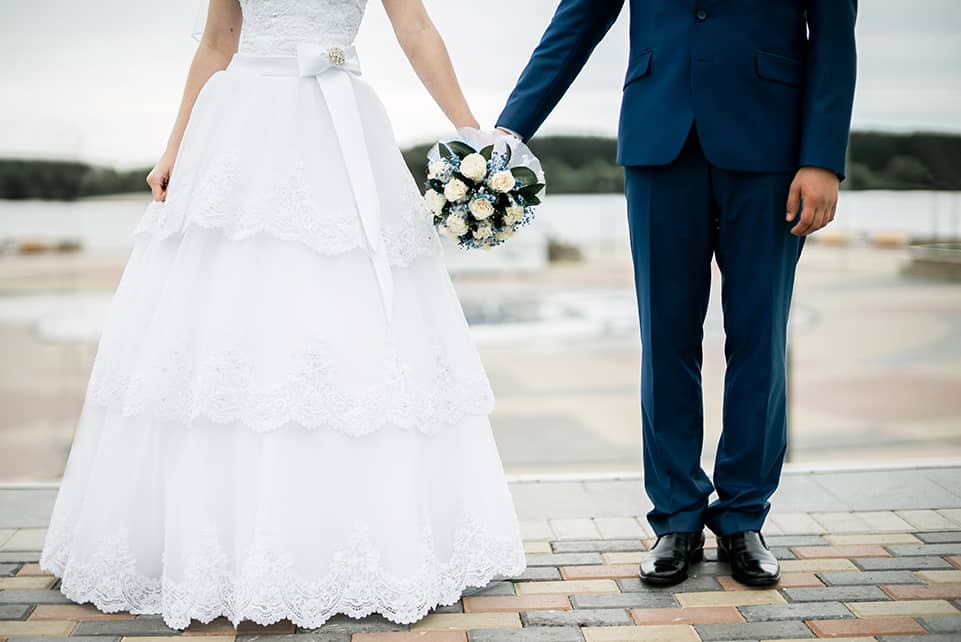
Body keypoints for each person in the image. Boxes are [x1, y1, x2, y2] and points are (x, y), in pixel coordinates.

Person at [39, 0, 525, 629]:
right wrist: (175, 147)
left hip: (341, 131)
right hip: (242, 133)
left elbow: (416, 27)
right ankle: (223, 549)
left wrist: (472, 136)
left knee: (348, 325)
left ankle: (357, 541)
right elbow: (218, 42)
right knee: (231, 331)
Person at [497, 0, 857, 586]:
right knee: (665, 341)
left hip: (770, 145)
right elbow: (577, 21)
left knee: (759, 340)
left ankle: (743, 516)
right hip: (658, 138)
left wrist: (822, 158)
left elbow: (835, 37)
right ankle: (676, 517)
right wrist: (510, 129)